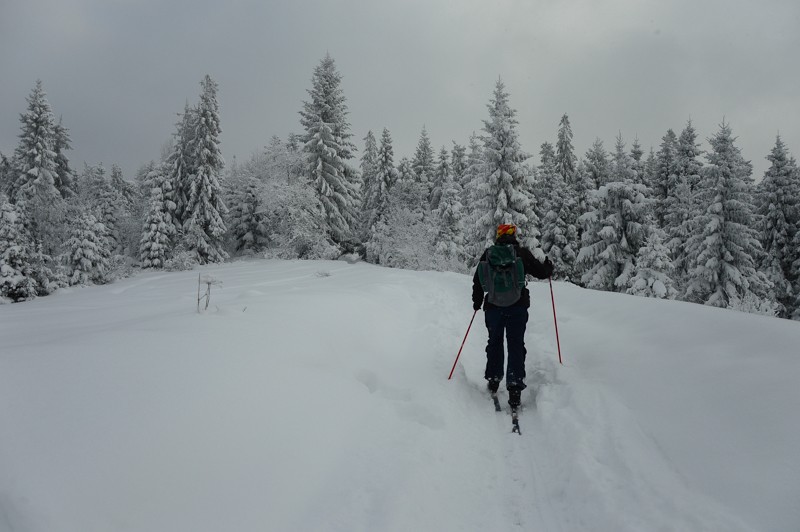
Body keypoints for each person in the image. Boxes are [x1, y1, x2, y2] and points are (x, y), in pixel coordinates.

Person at [472, 224, 553, 409]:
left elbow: (478, 280)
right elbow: (541, 272)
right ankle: (515, 387)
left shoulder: (488, 254)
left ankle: (493, 380)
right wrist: (548, 267)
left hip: (493, 308)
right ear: (513, 235)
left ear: (498, 236)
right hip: (518, 307)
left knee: (495, 342)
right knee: (516, 344)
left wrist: (477, 303)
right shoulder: (522, 253)